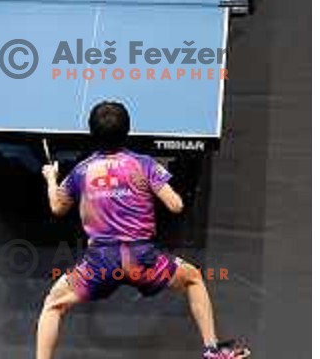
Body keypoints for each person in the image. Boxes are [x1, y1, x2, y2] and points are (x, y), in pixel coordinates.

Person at [36, 101, 251, 359]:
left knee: (53, 304)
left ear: (92, 133)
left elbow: (58, 208)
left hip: (101, 263)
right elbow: (176, 205)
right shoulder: (144, 164)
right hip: (142, 259)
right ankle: (213, 350)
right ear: (128, 130)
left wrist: (50, 178)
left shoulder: (81, 171)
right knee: (193, 278)